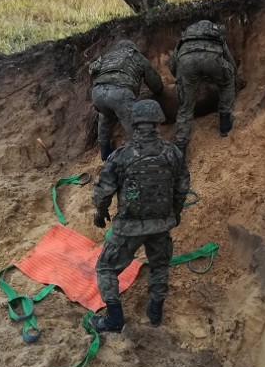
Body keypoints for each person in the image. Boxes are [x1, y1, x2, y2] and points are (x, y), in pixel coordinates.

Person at [90, 99, 190, 333]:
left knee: (106, 268)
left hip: (128, 228)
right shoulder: (173, 153)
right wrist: (174, 214)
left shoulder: (121, 156)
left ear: (134, 125)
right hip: (160, 225)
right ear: (158, 124)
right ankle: (155, 311)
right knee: (159, 266)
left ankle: (114, 319)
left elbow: (102, 192)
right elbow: (182, 186)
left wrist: (101, 214)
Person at [169, 20, 237, 156]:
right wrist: (232, 74)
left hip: (186, 62)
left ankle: (180, 148)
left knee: (186, 108)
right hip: (212, 59)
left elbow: (172, 64)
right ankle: (225, 123)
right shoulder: (215, 33)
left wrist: (181, 79)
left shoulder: (185, 37)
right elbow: (229, 59)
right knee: (228, 82)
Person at [89, 39, 164, 161]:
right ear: (133, 48)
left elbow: (93, 71)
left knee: (105, 118)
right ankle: (146, 157)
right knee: (134, 126)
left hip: (97, 93)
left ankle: (105, 153)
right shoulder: (135, 56)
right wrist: (159, 91)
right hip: (120, 93)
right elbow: (154, 81)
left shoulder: (108, 56)